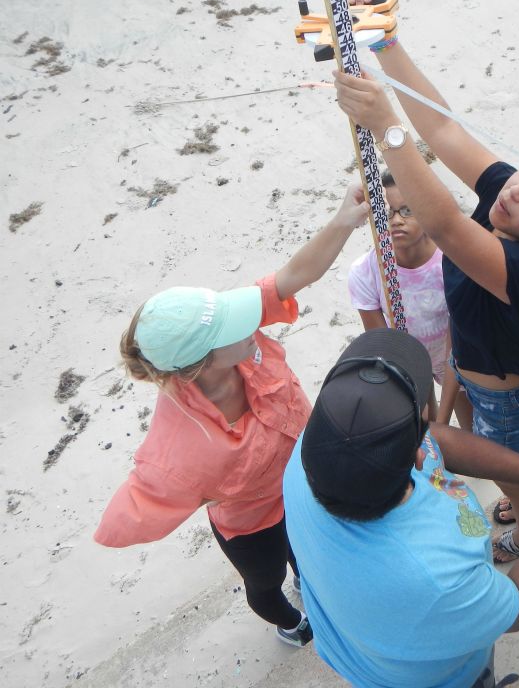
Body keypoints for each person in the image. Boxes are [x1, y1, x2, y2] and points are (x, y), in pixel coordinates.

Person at [335, 0, 519, 563]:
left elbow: (442, 223)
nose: (515, 189)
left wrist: (386, 129)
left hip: (512, 403)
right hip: (500, 379)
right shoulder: (510, 204)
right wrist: (386, 41)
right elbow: (445, 133)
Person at [94, 186, 369, 646]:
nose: (250, 325)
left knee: (308, 556)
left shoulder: (235, 337)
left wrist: (343, 219)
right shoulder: (180, 447)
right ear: (199, 364)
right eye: (231, 327)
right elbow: (133, 511)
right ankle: (290, 622)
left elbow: (293, 276)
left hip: (304, 485)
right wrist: (203, 495)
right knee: (264, 583)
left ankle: (307, 581)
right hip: (251, 524)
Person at [283, 328, 519, 688]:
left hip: (364, 654)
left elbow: (435, 438)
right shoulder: (437, 577)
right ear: (417, 457)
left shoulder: (309, 456)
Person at [347, 168, 472, 427]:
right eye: (386, 212)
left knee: (471, 431)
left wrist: (444, 422)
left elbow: (457, 350)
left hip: (459, 360)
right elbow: (388, 348)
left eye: (407, 211)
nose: (396, 221)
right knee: (424, 430)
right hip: (407, 359)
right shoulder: (366, 272)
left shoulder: (452, 262)